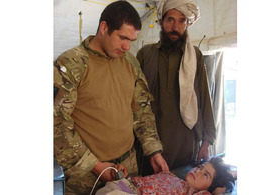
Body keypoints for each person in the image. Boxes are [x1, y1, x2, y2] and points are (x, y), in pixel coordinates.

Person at [53, 1, 169, 194]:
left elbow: (142, 110)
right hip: (87, 173)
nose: (127, 46)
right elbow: (58, 124)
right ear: (104, 27)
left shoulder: (130, 63)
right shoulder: (72, 63)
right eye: (122, 37)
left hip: (127, 166)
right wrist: (95, 165)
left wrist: (153, 150)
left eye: (132, 40)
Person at [136, 0, 216, 174]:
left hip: (185, 143)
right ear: (161, 22)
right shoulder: (145, 54)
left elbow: (205, 97)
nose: (175, 26)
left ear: (187, 24)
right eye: (170, 20)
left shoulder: (195, 55)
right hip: (152, 143)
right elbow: (134, 102)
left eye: (181, 21)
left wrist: (207, 142)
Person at [96, 157, 235, 195]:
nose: (198, 171)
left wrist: (218, 188)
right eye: (199, 167)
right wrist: (122, 175)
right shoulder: (168, 174)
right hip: (122, 186)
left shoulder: (192, 192)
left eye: (206, 175)